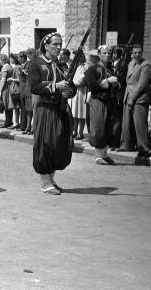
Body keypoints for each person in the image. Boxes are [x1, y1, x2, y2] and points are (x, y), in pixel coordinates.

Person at [28, 32, 76, 195]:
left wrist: (68, 91)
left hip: (60, 109)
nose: (58, 47)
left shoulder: (62, 65)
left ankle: (51, 177)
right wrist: (56, 86)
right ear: (46, 46)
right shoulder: (36, 64)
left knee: (59, 144)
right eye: (55, 44)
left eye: (60, 44)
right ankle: (45, 181)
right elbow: (34, 87)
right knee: (46, 144)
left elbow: (72, 87)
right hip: (46, 109)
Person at [84, 46, 121, 165]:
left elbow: (117, 85)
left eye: (109, 53)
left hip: (110, 101)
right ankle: (98, 156)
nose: (107, 55)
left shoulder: (111, 69)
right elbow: (91, 85)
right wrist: (106, 82)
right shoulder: (92, 69)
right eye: (104, 53)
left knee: (110, 127)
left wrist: (115, 84)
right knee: (99, 127)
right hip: (98, 100)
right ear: (99, 54)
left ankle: (105, 154)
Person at [118, 44, 151, 164]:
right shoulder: (130, 63)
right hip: (128, 95)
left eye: (139, 52)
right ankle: (126, 145)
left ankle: (143, 148)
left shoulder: (146, 65)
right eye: (135, 52)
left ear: (142, 53)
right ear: (132, 53)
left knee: (140, 124)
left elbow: (142, 84)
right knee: (127, 123)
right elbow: (128, 81)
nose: (137, 54)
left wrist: (133, 98)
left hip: (140, 98)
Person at [70, 49, 89, 140]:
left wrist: (71, 82)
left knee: (81, 113)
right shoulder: (74, 67)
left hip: (81, 92)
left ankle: (80, 133)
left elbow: (81, 81)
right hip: (74, 92)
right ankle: (74, 131)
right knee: (74, 113)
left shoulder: (85, 67)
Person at [0, 54, 15, 128]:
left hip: (5, 88)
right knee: (8, 105)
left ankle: (7, 122)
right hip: (9, 87)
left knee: (6, 104)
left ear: (3, 60)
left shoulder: (5, 67)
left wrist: (0, 90)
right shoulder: (9, 66)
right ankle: (8, 121)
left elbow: (3, 80)